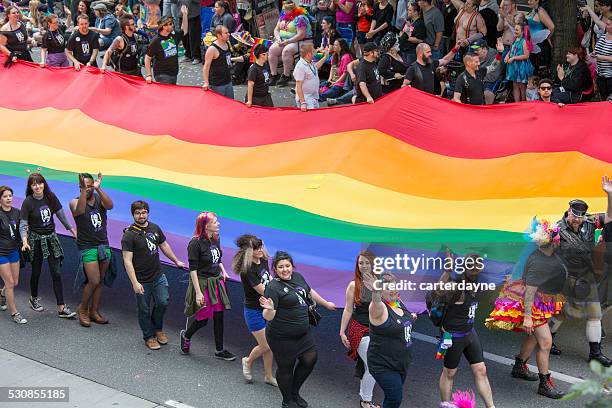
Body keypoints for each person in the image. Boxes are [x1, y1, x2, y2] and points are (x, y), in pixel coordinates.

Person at [486, 218, 566, 399]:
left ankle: (519, 366)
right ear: (551, 241)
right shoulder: (539, 262)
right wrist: (528, 317)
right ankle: (544, 384)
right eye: (557, 237)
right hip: (531, 304)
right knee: (546, 342)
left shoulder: (548, 254)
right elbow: (530, 292)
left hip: (541, 300)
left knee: (534, 337)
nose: (559, 239)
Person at [548, 178, 612, 367]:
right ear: (568, 212)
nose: (577, 219)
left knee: (595, 314)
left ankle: (595, 353)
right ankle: (548, 340)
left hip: (586, 277)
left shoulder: (590, 222)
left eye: (580, 216)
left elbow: (609, 218)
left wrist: (609, 195)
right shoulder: (555, 229)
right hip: (564, 279)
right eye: (574, 215)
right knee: (560, 314)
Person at [260, 251, 336, 408]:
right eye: (280, 267)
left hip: (303, 334)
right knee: (286, 367)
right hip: (282, 337)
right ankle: (287, 400)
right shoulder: (273, 288)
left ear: (292, 266)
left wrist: (325, 303)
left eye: (287, 266)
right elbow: (269, 316)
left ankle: (295, 392)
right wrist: (269, 308)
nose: (285, 269)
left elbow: (308, 291)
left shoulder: (298, 277)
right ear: (275, 269)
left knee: (310, 360)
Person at [121, 200, 185, 350]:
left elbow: (164, 245)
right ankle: (148, 336)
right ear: (133, 215)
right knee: (144, 309)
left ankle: (158, 329)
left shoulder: (155, 228)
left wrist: (176, 261)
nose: (141, 215)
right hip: (142, 280)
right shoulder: (129, 236)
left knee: (163, 302)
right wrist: (135, 283)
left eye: (143, 212)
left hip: (157, 275)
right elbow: (127, 260)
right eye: (137, 213)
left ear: (147, 213)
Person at [436, 253, 495, 408]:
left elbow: (491, 296)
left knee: (480, 369)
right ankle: (446, 405)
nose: (475, 268)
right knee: (449, 373)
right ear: (465, 267)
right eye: (471, 265)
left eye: (478, 265)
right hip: (453, 336)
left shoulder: (482, 282)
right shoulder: (457, 285)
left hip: (469, 332)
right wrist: (447, 272)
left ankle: (491, 406)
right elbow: (439, 291)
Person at [19, 173, 77, 319]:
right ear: (30, 187)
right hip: (35, 240)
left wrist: (72, 230)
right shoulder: (28, 202)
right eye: (34, 184)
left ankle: (62, 307)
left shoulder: (51, 197)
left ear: (44, 184)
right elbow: (23, 224)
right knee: (36, 271)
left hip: (51, 239)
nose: (37, 186)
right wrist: (25, 241)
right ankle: (33, 298)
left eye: (40, 183)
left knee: (56, 272)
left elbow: (61, 215)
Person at [180, 211, 235, 361]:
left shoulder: (215, 238)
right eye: (215, 221)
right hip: (203, 283)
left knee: (219, 315)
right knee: (203, 318)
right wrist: (198, 293)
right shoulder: (195, 243)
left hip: (216, 281)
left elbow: (218, 259)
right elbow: (193, 269)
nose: (219, 224)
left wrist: (223, 271)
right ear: (206, 225)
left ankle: (219, 349)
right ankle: (186, 335)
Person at [69, 173, 114, 328]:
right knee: (93, 280)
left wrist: (99, 189)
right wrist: (83, 191)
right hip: (87, 247)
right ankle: (83, 308)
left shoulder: (99, 199)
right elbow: (80, 211)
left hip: (103, 244)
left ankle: (94, 311)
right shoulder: (74, 202)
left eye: (89, 186)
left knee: (100, 280)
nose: (87, 189)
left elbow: (110, 205)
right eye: (84, 186)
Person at [368, 272, 416, 408]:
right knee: (395, 398)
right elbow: (376, 303)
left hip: (401, 363)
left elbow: (403, 321)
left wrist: (411, 318)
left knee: (392, 398)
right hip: (383, 365)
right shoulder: (380, 308)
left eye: (394, 286)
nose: (393, 289)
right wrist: (376, 292)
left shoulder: (398, 303)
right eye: (387, 287)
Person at [233, 234, 277, 386]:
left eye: (260, 247)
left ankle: (268, 376)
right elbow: (263, 290)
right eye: (256, 248)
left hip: (266, 308)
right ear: (248, 252)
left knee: (269, 345)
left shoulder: (262, 259)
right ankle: (248, 361)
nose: (260, 250)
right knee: (266, 344)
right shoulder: (248, 270)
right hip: (254, 312)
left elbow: (269, 279)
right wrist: (281, 294)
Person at [339, 251, 380, 408]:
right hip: (361, 330)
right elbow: (348, 309)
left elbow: (392, 302)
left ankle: (365, 397)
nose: (363, 266)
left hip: (380, 330)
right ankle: (365, 401)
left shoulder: (381, 282)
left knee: (370, 365)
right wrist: (342, 332)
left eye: (367, 263)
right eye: (360, 263)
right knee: (373, 365)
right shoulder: (354, 285)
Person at [269, 0, 314, 87]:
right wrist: (278, 39)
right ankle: (274, 75)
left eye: (285, 10)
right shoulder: (283, 16)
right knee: (272, 50)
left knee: (287, 50)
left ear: (291, 10)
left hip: (301, 41)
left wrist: (288, 41)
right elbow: (276, 29)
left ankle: (286, 75)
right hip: (283, 40)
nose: (283, 12)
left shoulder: (300, 18)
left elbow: (301, 35)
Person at [0, 186, 27, 324]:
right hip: (1, 253)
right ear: (0, 199)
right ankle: (14, 313)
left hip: (13, 251)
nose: (8, 198)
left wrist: (24, 241)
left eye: (10, 195)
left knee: (14, 282)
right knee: (9, 282)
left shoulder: (17, 212)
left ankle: (2, 293)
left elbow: (23, 228)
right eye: (5, 196)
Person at [144, 5, 189, 85]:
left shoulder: (173, 34)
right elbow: (147, 58)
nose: (172, 25)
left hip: (174, 73)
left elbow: (184, 31)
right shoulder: (156, 41)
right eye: (170, 24)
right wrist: (148, 75)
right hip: (162, 75)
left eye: (172, 23)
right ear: (164, 26)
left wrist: (185, 15)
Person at [522, 0, 554, 76]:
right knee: (534, 69)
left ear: (537, 1)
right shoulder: (532, 10)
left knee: (540, 71)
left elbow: (552, 27)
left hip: (540, 45)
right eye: (528, 0)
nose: (528, 2)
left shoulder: (541, 11)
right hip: (532, 45)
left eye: (531, 0)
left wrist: (548, 37)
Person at [202, 25, 234, 99]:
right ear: (219, 35)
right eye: (226, 33)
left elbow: (227, 59)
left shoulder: (227, 44)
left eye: (228, 32)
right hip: (217, 84)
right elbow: (206, 67)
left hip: (228, 81)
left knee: (231, 105)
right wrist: (206, 82)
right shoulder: (212, 49)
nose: (228, 34)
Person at [294, 42, 328, 111]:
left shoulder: (309, 62)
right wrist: (303, 102)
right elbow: (298, 86)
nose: (315, 52)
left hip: (313, 96)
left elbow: (315, 68)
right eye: (313, 51)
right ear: (309, 54)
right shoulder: (300, 66)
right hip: (306, 98)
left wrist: (325, 58)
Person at [505, 22, 534, 102]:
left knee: (521, 86)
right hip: (514, 66)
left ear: (522, 31)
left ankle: (523, 103)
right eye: (515, 29)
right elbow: (511, 50)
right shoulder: (515, 39)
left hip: (521, 67)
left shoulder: (524, 41)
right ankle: (516, 103)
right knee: (515, 85)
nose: (515, 31)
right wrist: (507, 55)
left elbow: (526, 56)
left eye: (517, 30)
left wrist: (513, 58)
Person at [471, 38, 504, 104]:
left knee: (487, 94)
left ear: (484, 49)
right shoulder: (474, 56)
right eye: (474, 49)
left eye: (477, 50)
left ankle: (487, 112)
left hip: (493, 79)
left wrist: (478, 80)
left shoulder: (494, 55)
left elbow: (493, 74)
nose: (475, 52)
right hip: (480, 78)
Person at [592, 16, 612, 101]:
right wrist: (594, 53)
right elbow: (597, 49)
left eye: (608, 24)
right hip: (600, 74)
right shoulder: (604, 35)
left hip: (610, 75)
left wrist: (601, 57)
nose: (606, 26)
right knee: (603, 98)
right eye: (606, 24)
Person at [180, 0, 202, 64]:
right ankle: (188, 55)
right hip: (181, 15)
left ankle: (196, 57)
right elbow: (173, 2)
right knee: (183, 36)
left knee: (194, 37)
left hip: (194, 15)